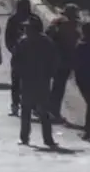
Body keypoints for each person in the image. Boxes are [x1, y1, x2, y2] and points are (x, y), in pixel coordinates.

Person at [13, 18, 59, 147]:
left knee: (43, 111)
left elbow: (54, 60)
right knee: (26, 110)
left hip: (41, 81)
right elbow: (15, 60)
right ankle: (24, 137)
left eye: (29, 28)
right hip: (28, 81)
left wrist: (49, 74)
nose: (26, 30)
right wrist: (20, 73)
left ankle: (48, 139)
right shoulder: (23, 42)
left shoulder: (46, 43)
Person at [4, 0, 41, 116]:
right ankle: (28, 105)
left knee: (19, 82)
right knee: (28, 82)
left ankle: (18, 105)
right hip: (26, 57)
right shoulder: (33, 19)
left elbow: (8, 39)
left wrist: (13, 50)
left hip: (24, 57)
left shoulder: (15, 19)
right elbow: (8, 39)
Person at [45, 4, 81, 120]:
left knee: (51, 86)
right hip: (65, 62)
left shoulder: (56, 24)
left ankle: (47, 109)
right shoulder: (72, 27)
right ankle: (53, 112)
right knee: (58, 88)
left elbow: (47, 36)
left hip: (53, 60)